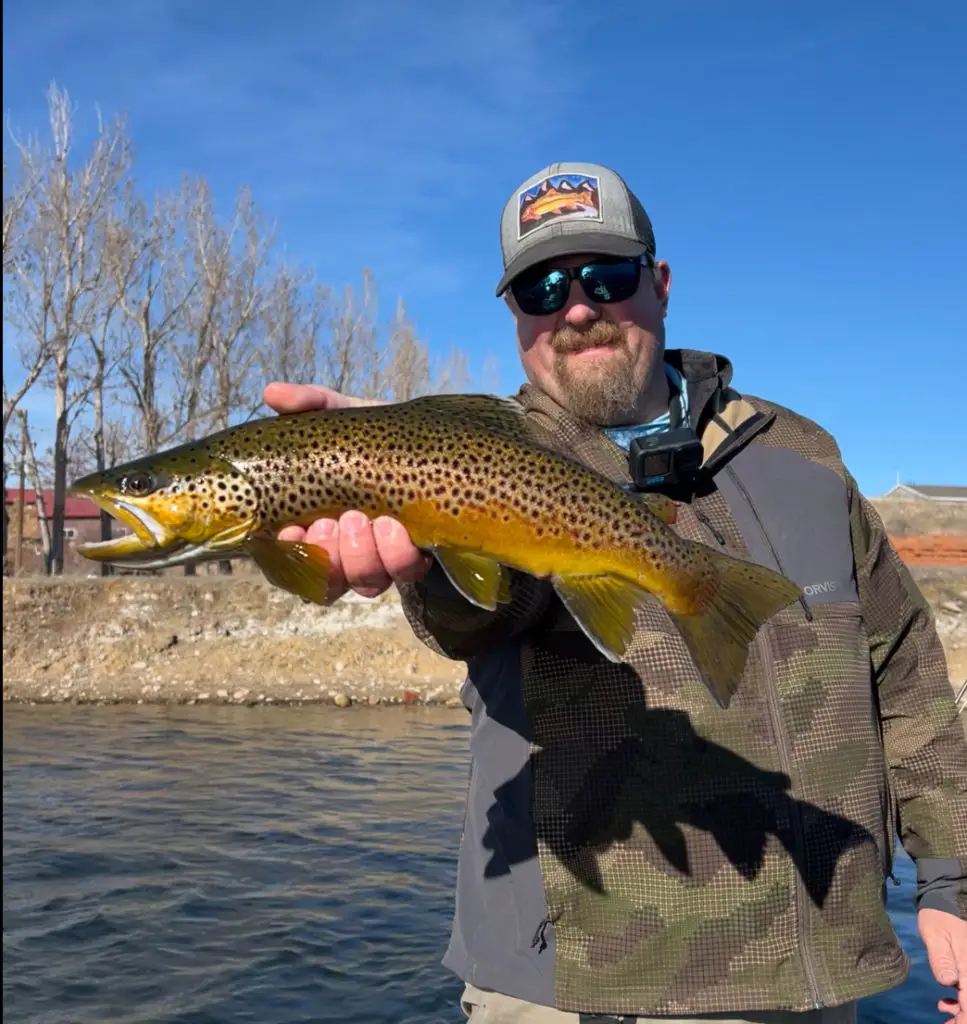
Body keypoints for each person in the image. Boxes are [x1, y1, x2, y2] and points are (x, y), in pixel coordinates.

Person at [264, 162, 967, 1024]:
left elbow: (902, 678)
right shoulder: (483, 452)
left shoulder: (803, 458)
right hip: (577, 987)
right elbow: (477, 619)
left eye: (606, 274)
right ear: (515, 315)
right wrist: (398, 475)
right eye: (539, 287)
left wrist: (951, 881)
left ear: (660, 284)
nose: (577, 307)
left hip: (809, 972)